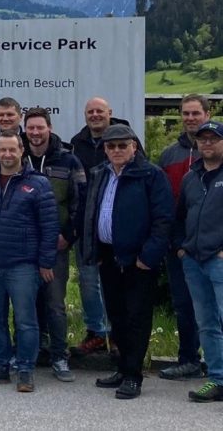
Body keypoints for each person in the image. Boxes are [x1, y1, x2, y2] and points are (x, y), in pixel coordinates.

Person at [77, 124, 172, 400]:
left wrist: (148, 257)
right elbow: (90, 214)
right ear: (105, 149)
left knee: (137, 318)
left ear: (133, 147)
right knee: (117, 317)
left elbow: (163, 219)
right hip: (108, 257)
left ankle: (133, 376)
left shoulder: (151, 175)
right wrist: (92, 253)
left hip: (138, 260)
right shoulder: (99, 174)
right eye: (111, 146)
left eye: (122, 145)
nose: (116, 150)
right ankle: (122, 367)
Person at [0, 131, 58, 394]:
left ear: (22, 151)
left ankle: (26, 369)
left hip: (23, 266)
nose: (7, 155)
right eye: (2, 150)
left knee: (26, 320)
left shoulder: (39, 184)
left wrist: (45, 262)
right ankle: (0, 366)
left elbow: (49, 227)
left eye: (12, 150)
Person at [23, 108, 86, 383]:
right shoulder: (17, 157)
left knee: (54, 303)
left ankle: (60, 357)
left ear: (49, 128)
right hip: (23, 246)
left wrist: (69, 236)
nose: (35, 133)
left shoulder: (68, 160)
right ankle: (28, 353)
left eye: (40, 128)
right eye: (31, 128)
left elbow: (80, 202)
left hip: (56, 244)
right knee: (24, 302)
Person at [157, 94, 211, 380]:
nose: (190, 118)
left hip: (214, 246)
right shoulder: (169, 155)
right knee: (184, 305)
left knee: (216, 307)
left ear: (207, 113)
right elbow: (162, 201)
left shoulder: (216, 150)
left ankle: (217, 364)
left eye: (195, 113)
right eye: (186, 114)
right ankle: (188, 359)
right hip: (179, 246)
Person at [68, 96, 120, 357]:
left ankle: (117, 335)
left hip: (115, 224)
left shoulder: (125, 138)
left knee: (116, 281)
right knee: (88, 282)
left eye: (100, 110)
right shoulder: (77, 144)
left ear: (110, 112)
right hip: (86, 223)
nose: (95, 115)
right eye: (90, 111)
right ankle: (96, 333)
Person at [175, 120, 223, 403]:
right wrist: (182, 248)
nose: (207, 143)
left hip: (219, 259)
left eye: (213, 139)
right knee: (206, 323)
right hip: (193, 261)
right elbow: (179, 216)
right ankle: (217, 379)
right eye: (203, 139)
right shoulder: (190, 178)